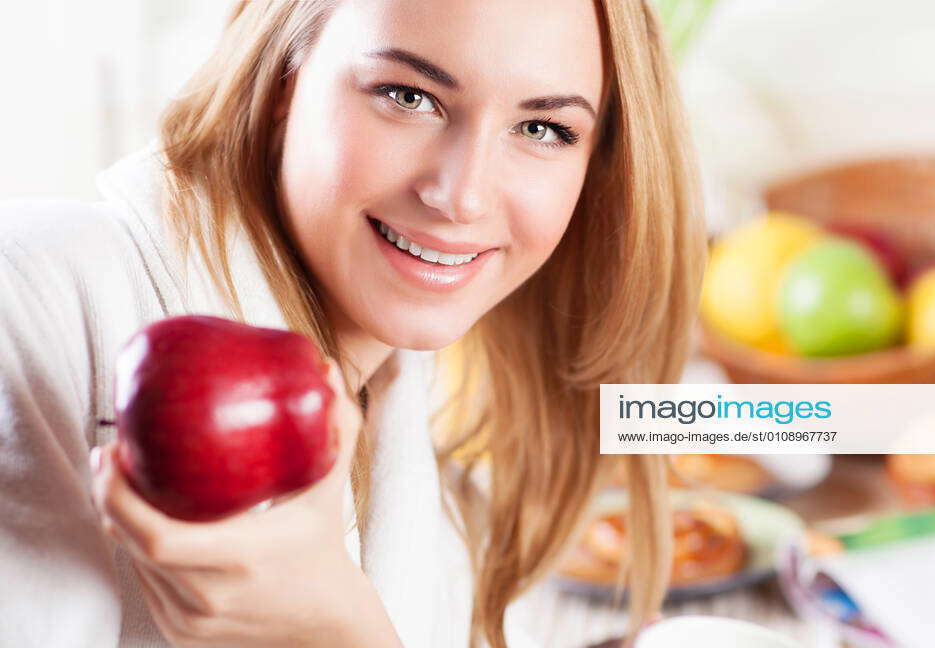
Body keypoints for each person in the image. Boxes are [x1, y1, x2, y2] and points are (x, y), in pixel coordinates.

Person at [0, 0, 705, 646]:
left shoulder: (425, 427)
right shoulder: (29, 306)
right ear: (283, 80)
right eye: (407, 96)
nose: (460, 196)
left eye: (542, 128)